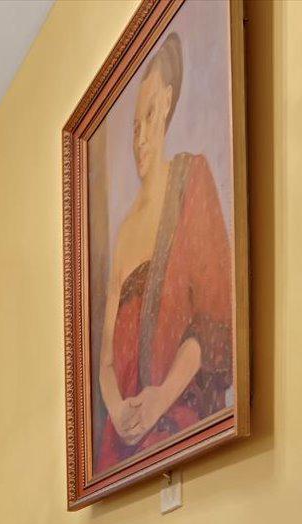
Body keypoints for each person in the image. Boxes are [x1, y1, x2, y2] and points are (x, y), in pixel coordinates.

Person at [96, 31, 235, 472]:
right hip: (124, 438)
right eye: (133, 126)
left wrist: (161, 397)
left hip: (179, 413)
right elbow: (104, 363)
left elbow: (215, 319)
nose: (139, 138)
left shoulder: (190, 182)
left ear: (168, 105)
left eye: (149, 117)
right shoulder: (124, 234)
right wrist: (118, 408)